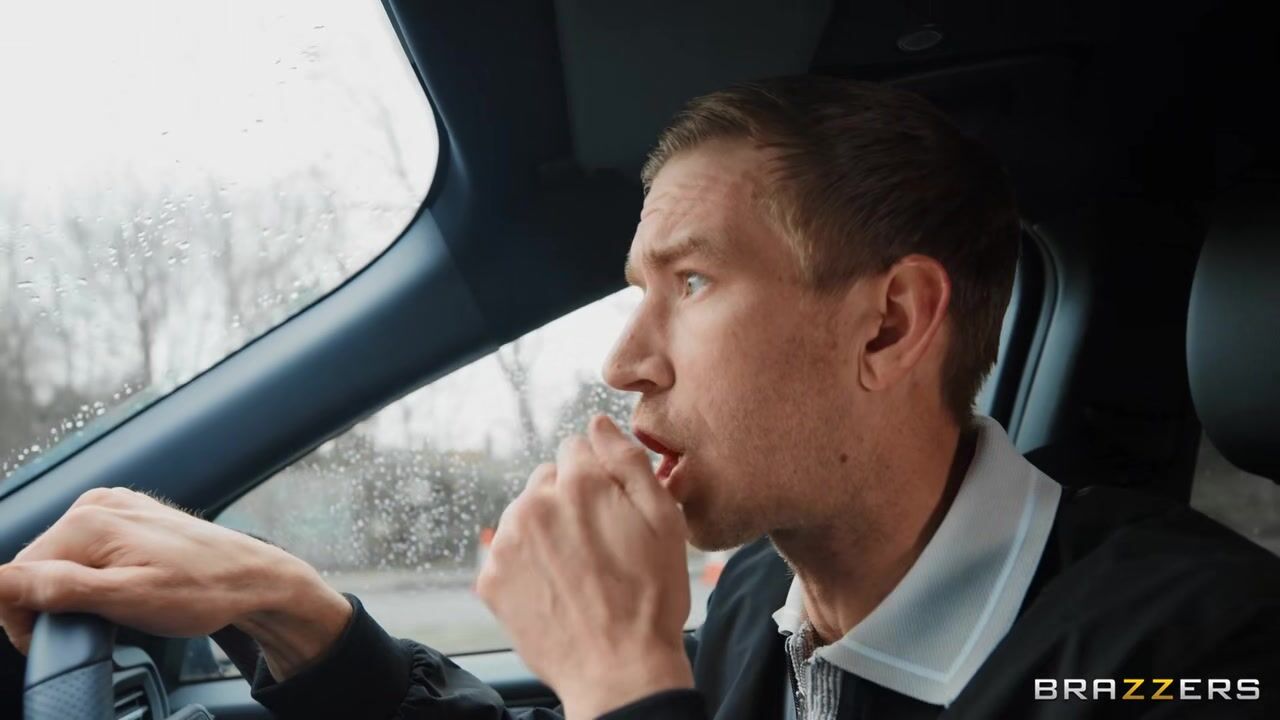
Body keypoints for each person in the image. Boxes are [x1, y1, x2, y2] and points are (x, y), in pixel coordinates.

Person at [2, 76, 1278, 719]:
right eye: (636, 291)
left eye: (693, 282)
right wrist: (302, 617)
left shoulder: (1199, 657)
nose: (623, 361)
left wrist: (624, 673)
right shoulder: (767, 601)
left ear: (887, 324)